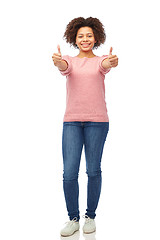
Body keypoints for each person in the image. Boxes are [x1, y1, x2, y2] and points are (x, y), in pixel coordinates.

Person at [52, 17, 118, 237]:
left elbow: (107, 65)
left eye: (89, 35)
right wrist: (57, 61)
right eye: (81, 36)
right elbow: (63, 66)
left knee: (93, 170)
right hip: (71, 122)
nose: (85, 39)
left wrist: (112, 61)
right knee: (69, 173)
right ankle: (73, 218)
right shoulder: (69, 61)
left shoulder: (101, 61)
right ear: (74, 38)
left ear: (96, 38)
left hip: (98, 123)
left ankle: (90, 216)